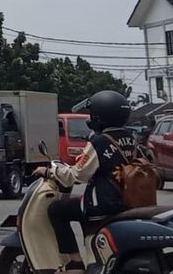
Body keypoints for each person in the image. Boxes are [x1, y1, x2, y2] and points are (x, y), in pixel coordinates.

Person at [40, 90, 139, 272]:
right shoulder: (132, 138)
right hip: (128, 201)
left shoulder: (100, 142)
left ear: (100, 117)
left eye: (92, 114)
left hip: (104, 205)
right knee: (76, 207)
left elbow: (78, 175)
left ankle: (75, 262)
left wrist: (50, 170)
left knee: (57, 210)